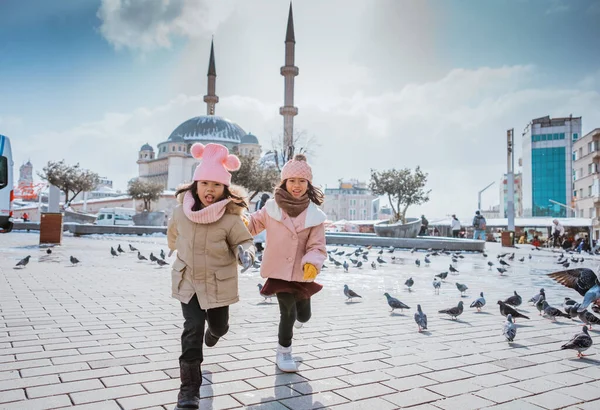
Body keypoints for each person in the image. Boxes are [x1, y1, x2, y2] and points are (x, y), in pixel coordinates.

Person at [167, 143, 255, 410]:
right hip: (189, 283)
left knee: (219, 326)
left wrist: (245, 253)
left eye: (216, 185)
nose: (210, 189)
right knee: (192, 328)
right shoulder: (181, 213)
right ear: (195, 185)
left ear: (225, 189)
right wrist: (178, 252)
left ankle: (215, 333)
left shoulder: (230, 218)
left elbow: (246, 241)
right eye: (205, 182)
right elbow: (173, 238)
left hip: (218, 284)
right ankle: (189, 389)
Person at [247, 154, 327, 373]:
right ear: (284, 182)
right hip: (279, 272)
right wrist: (240, 220)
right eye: (292, 181)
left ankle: (299, 321)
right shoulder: (271, 209)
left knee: (304, 315)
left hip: (302, 274)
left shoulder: (315, 216)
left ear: (308, 184)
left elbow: (317, 246)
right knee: (288, 313)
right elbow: (252, 225)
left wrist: (312, 263)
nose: (296, 186)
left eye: (302, 181)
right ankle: (284, 351)